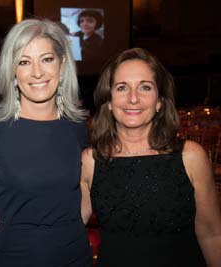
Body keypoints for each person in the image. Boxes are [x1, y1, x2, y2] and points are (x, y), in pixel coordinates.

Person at [80, 47, 221, 267]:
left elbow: (212, 235)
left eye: (145, 87)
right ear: (109, 101)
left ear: (159, 101)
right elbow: (67, 228)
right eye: (122, 88)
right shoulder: (91, 160)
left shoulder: (191, 157)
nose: (133, 98)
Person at [0, 19, 92, 266]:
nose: (37, 72)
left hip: (74, 256)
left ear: (62, 64)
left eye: (46, 59)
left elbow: (82, 188)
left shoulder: (76, 124)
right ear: (12, 70)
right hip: (14, 257)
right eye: (24, 62)